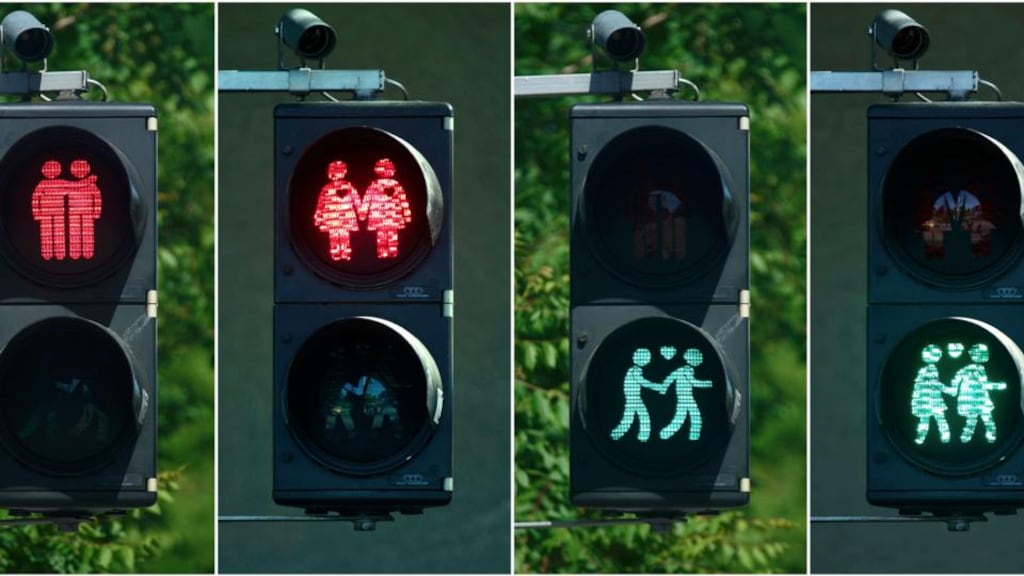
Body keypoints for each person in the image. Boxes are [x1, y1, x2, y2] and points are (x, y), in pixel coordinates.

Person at [953, 343, 1006, 444]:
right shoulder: (976, 369)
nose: (987, 355)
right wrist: (998, 386)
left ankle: (966, 437)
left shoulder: (970, 368)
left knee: (972, 419)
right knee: (986, 418)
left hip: (971, 399)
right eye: (984, 353)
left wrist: (954, 389)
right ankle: (990, 435)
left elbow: (957, 377)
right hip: (978, 399)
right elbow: (983, 384)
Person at [658, 348, 713, 441]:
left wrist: (664, 387)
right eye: (696, 359)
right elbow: (693, 382)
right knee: (692, 416)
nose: (698, 361)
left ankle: (668, 433)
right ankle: (690, 435)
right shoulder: (686, 370)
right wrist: (707, 384)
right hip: (685, 398)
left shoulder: (684, 370)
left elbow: (670, 378)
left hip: (685, 397)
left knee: (683, 417)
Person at [610, 348, 665, 442]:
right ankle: (617, 435)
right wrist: (657, 387)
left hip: (634, 398)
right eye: (647, 359)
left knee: (638, 418)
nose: (648, 361)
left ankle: (641, 436)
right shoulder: (634, 370)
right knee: (632, 419)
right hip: (633, 399)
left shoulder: (635, 370)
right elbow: (642, 382)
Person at [362, 158, 412, 259]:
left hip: (379, 218)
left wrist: (363, 213)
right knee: (388, 235)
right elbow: (403, 202)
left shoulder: (376, 185)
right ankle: (388, 254)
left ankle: (385, 254)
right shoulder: (394, 185)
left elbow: (367, 200)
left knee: (384, 236)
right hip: (391, 218)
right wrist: (407, 216)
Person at [313, 160, 362, 261]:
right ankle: (342, 255)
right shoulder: (345, 186)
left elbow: (320, 205)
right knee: (340, 238)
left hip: (333, 220)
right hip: (343, 219)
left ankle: (341, 256)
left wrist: (318, 218)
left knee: (339, 237)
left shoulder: (329, 188)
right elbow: (357, 201)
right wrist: (361, 213)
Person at [910, 344, 956, 445]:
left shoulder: (923, 369)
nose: (939, 356)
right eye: (938, 354)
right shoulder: (931, 368)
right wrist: (948, 390)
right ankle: (945, 436)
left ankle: (920, 438)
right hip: (932, 400)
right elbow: (934, 383)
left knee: (924, 420)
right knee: (940, 418)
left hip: (923, 400)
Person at [66, 159, 101, 260]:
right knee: (75, 233)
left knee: (87, 233)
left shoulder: (92, 186)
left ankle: (87, 252)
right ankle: (75, 253)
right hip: (74, 214)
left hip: (87, 214)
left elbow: (97, 199)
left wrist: (96, 213)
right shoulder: (73, 186)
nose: (77, 171)